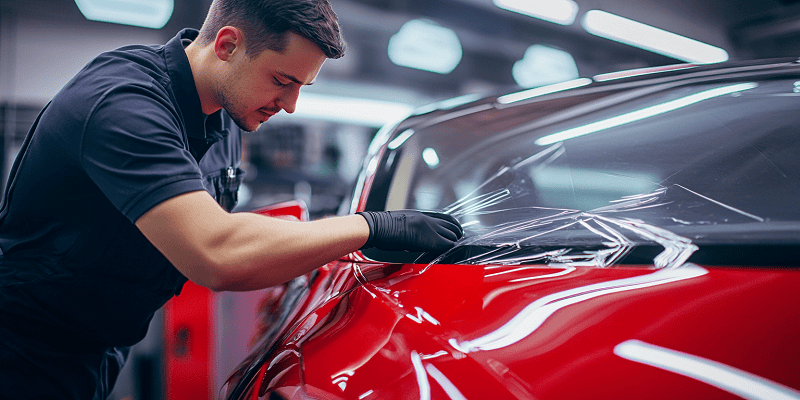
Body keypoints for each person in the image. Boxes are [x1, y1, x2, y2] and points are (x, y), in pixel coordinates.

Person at [0, 0, 463, 398]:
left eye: (303, 86)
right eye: (283, 80)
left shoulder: (224, 119)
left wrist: (313, 257)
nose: (291, 104)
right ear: (227, 45)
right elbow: (217, 251)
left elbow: (224, 222)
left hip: (97, 346)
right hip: (20, 348)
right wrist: (369, 226)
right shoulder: (122, 102)